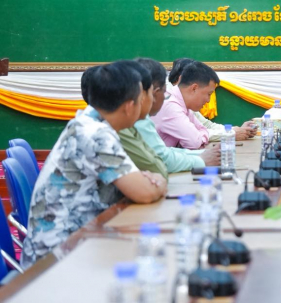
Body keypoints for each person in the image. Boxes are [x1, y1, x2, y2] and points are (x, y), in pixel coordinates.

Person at [21, 61, 167, 267]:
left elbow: (136, 184)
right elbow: (144, 192)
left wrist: (144, 182)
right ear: (129, 106)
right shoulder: (95, 135)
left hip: (74, 241)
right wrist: (158, 181)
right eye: (143, 97)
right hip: (56, 257)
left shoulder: (90, 123)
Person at [135, 58, 221, 173]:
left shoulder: (141, 117)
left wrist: (201, 154)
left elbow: (163, 152)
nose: (165, 98)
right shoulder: (169, 105)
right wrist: (200, 159)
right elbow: (192, 142)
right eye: (164, 92)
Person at [168, 58, 256, 141]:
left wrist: (237, 130)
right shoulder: (169, 102)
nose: (208, 100)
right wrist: (230, 134)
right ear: (182, 79)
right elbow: (193, 136)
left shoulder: (184, 101)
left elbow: (205, 126)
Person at [115, 61, 169, 179]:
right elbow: (158, 169)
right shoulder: (106, 131)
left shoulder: (127, 124)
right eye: (149, 94)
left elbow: (158, 165)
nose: (152, 100)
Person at [152, 61, 220, 150]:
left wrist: (199, 135)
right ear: (194, 88)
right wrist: (201, 135)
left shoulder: (182, 103)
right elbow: (194, 142)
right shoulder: (171, 105)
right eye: (209, 94)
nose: (208, 100)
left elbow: (201, 128)